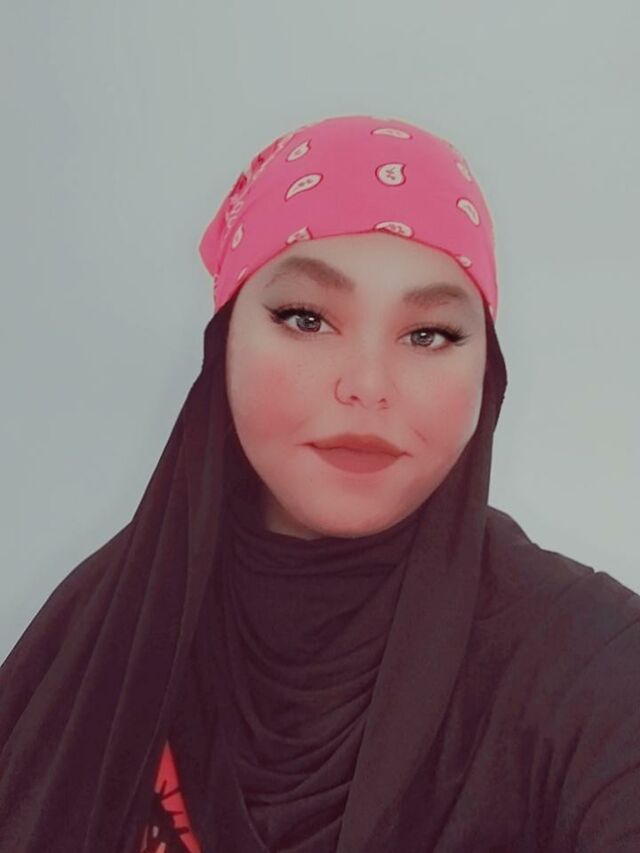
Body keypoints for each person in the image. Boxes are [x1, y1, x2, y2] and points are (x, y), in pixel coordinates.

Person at [0, 114, 638, 853]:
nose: (366, 384)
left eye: (428, 333)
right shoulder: (97, 637)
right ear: (225, 342)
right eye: (306, 318)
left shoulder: (593, 666)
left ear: (486, 373)